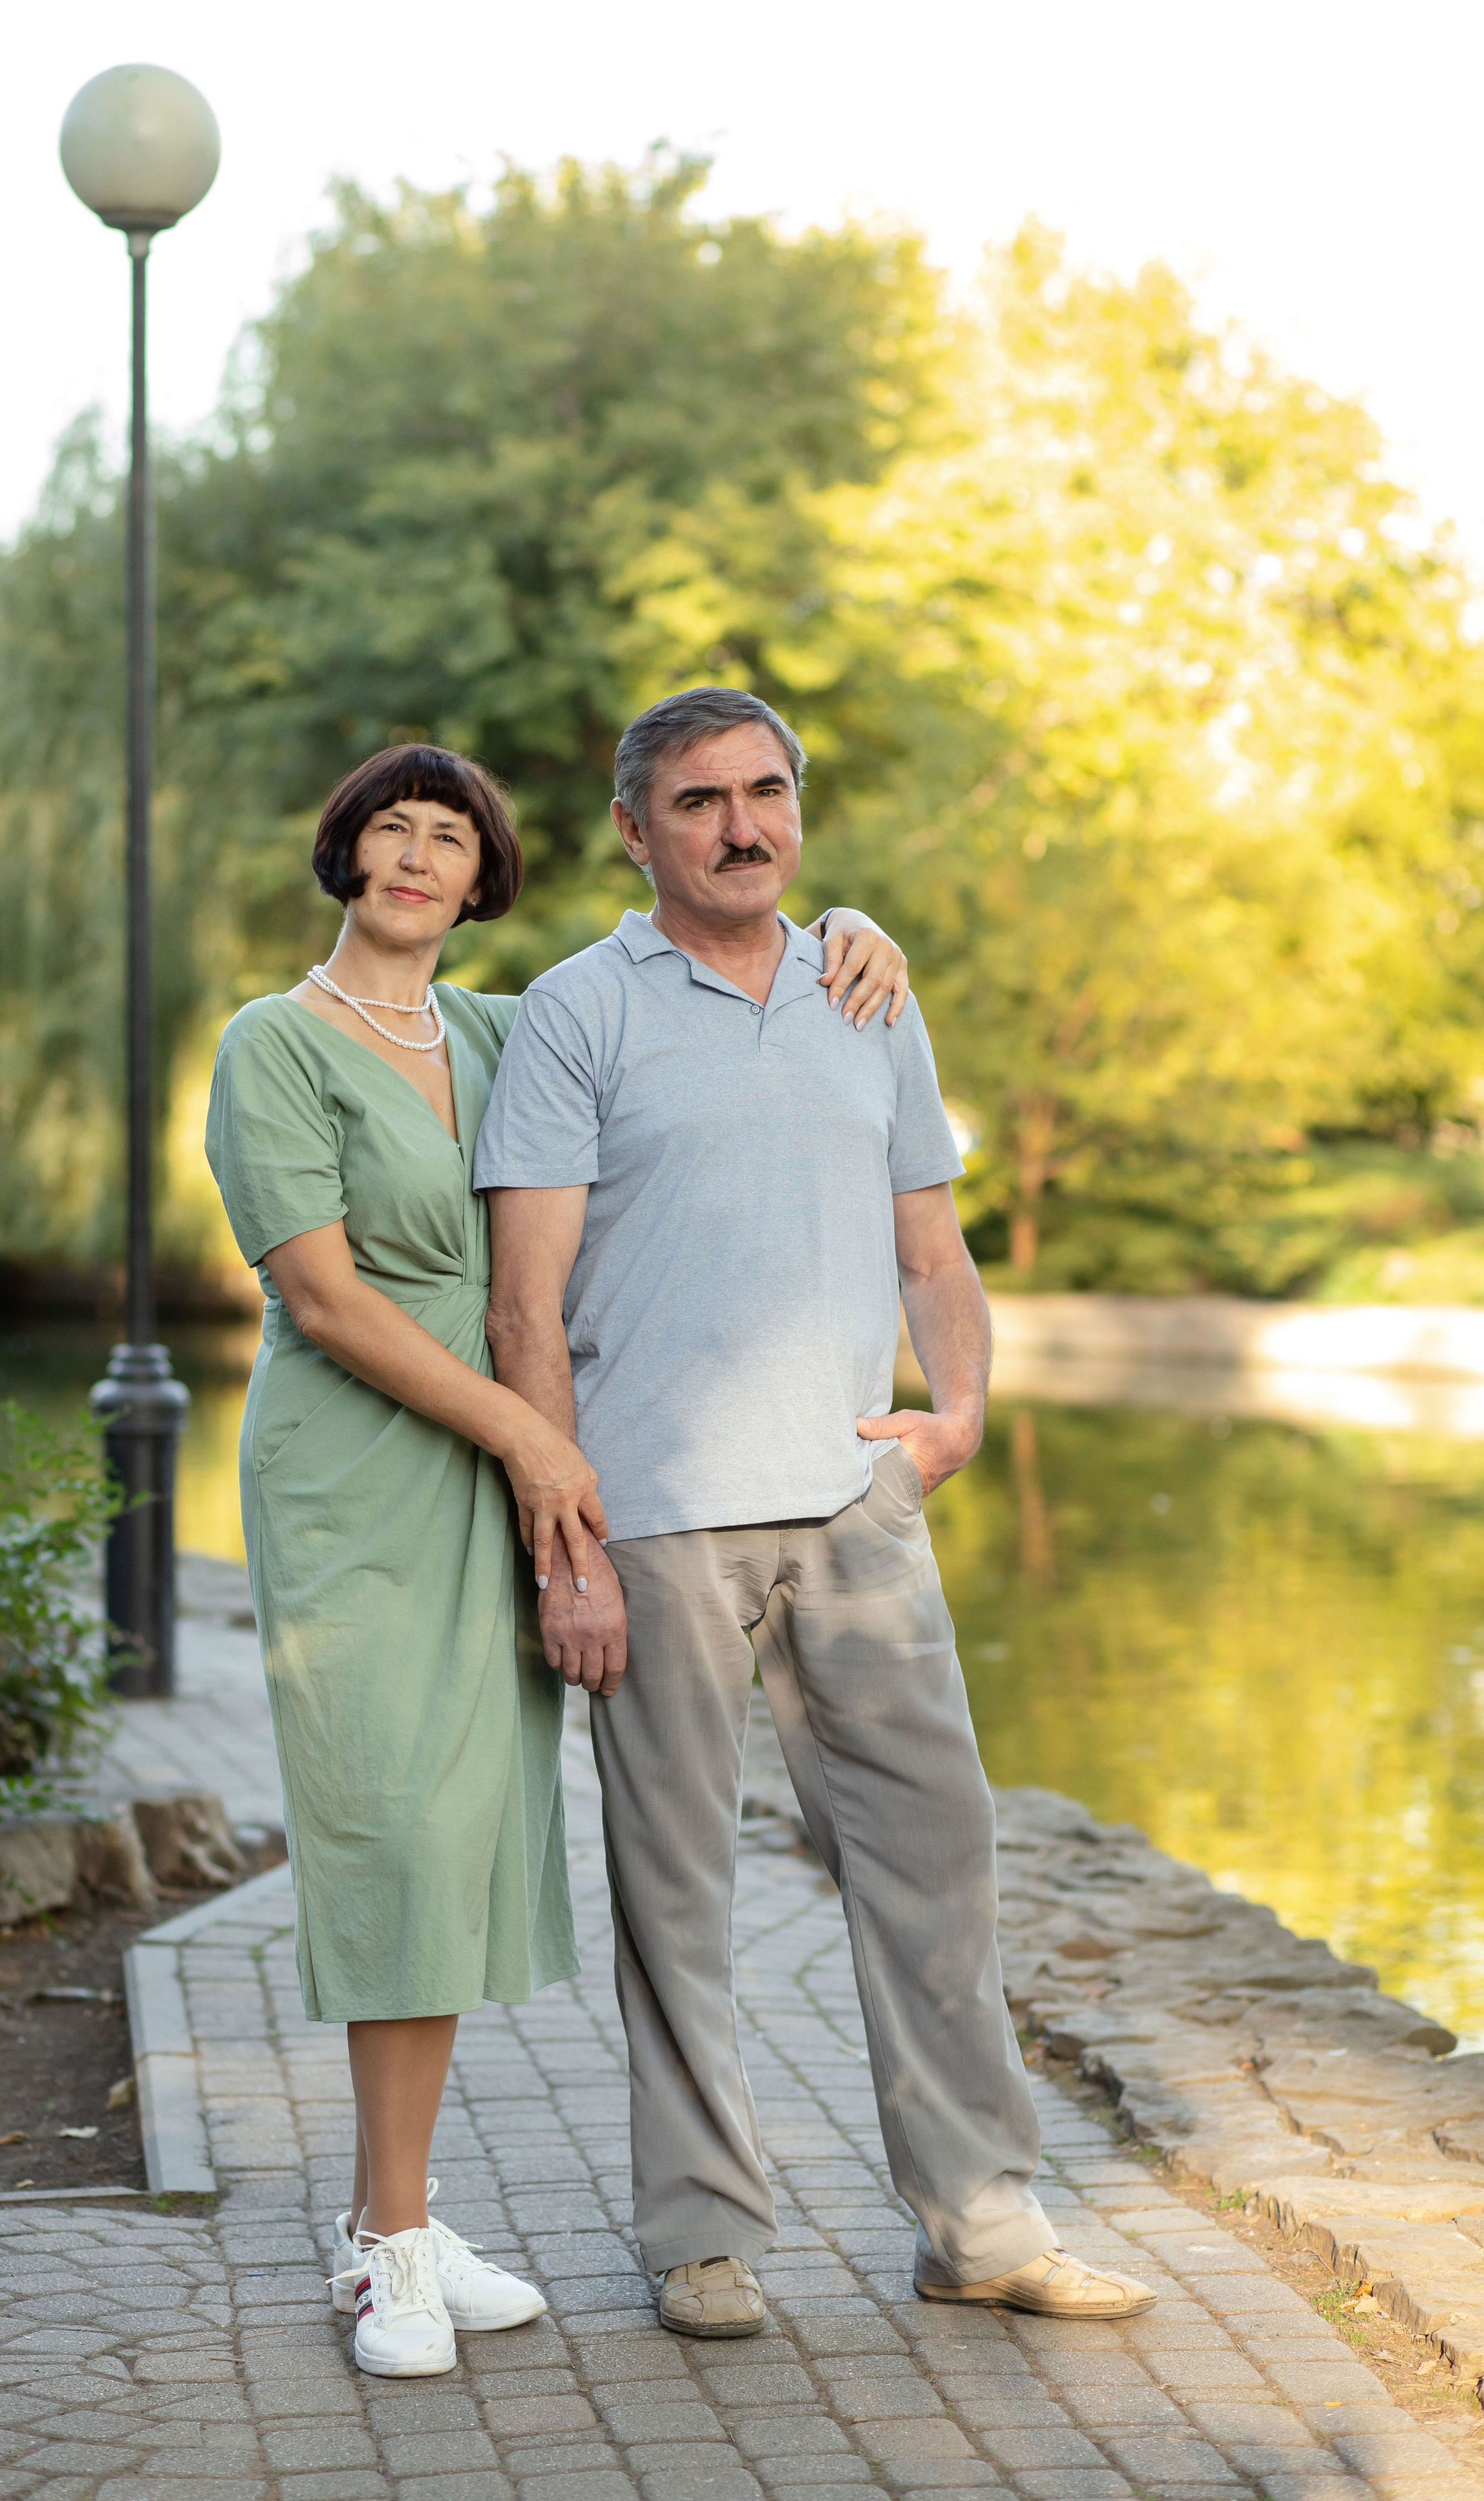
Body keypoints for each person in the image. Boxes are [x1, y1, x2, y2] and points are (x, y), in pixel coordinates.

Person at [203, 737, 914, 2377]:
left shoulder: (502, 1027)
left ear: (484, 877)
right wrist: (538, 1439)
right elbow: (327, 1298)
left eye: (447, 839)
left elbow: (682, 1017)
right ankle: (381, 2244)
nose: (414, 858)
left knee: (458, 1828)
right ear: (345, 856)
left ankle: (405, 2210)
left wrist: (845, 934)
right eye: (388, 830)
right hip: (365, 1472)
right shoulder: (272, 1045)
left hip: (504, 1468)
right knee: (386, 1818)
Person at [475, 686, 1158, 2336]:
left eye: (766, 791)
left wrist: (961, 1413)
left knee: (938, 1852)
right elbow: (521, 1304)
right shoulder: (577, 1014)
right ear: (637, 831)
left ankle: (979, 2221)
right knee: (676, 1890)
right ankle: (701, 2236)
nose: (740, 824)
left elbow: (932, 1246)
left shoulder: (867, 993)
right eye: (699, 800)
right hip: (652, 1518)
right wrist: (565, 1545)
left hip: (856, 1506)